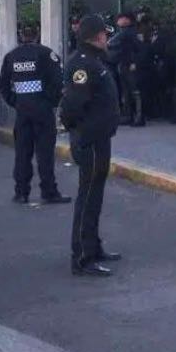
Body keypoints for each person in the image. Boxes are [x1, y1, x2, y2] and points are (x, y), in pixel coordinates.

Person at [60, 14, 122, 278]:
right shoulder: (83, 65)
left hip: (98, 138)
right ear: (96, 36)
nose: (107, 38)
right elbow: (73, 105)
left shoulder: (95, 61)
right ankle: (82, 257)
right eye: (104, 35)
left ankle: (93, 247)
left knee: (95, 195)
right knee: (87, 197)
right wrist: (80, 131)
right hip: (90, 140)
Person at [0, 25, 71, 205]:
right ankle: (48, 191)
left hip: (22, 111)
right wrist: (50, 102)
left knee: (22, 153)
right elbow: (58, 81)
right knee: (45, 153)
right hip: (42, 110)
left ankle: (21, 192)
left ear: (20, 36)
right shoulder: (46, 54)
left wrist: (15, 101)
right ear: (37, 35)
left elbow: (3, 85)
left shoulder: (11, 57)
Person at [108, 13, 144, 126]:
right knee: (127, 91)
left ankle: (138, 116)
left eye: (122, 19)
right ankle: (129, 115)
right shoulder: (124, 32)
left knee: (134, 91)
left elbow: (139, 49)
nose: (119, 21)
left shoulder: (129, 32)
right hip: (124, 63)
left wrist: (135, 62)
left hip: (130, 64)